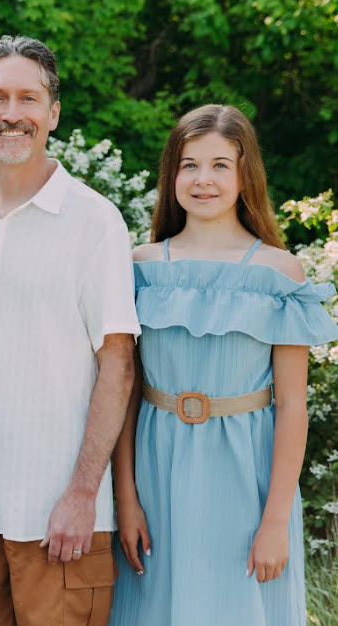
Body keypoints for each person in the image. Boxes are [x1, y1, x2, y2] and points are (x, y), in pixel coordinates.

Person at [110, 104, 338, 625]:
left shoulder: (278, 273)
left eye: (219, 165)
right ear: (172, 176)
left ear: (244, 174)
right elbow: (124, 391)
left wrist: (276, 520)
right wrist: (126, 498)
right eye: (189, 165)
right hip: (156, 472)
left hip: (247, 479)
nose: (203, 180)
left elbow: (293, 407)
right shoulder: (141, 268)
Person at [0, 35, 141, 625]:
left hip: (61, 518)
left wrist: (83, 494)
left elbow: (119, 366)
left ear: (53, 113)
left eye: (28, 98)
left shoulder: (94, 220)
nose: (11, 114)